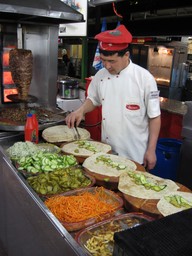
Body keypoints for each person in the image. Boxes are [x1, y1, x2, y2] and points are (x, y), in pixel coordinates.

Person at [65, 25, 161, 170]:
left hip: (135, 155)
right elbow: (93, 99)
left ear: (126, 55)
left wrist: (151, 150)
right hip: (107, 152)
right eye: (103, 60)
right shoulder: (100, 75)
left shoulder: (144, 78)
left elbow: (154, 117)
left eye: (112, 61)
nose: (107, 66)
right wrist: (80, 111)